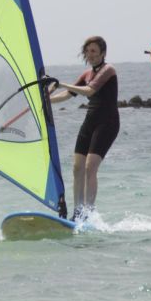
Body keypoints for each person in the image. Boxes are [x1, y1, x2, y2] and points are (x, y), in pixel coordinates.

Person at [49, 36, 119, 222]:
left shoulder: (108, 70)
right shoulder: (86, 74)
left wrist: (60, 83)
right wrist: (46, 101)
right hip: (90, 121)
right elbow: (68, 94)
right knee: (77, 167)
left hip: (108, 123)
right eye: (87, 52)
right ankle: (77, 212)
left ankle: (88, 212)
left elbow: (89, 91)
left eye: (94, 51)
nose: (90, 55)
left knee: (90, 167)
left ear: (103, 53)